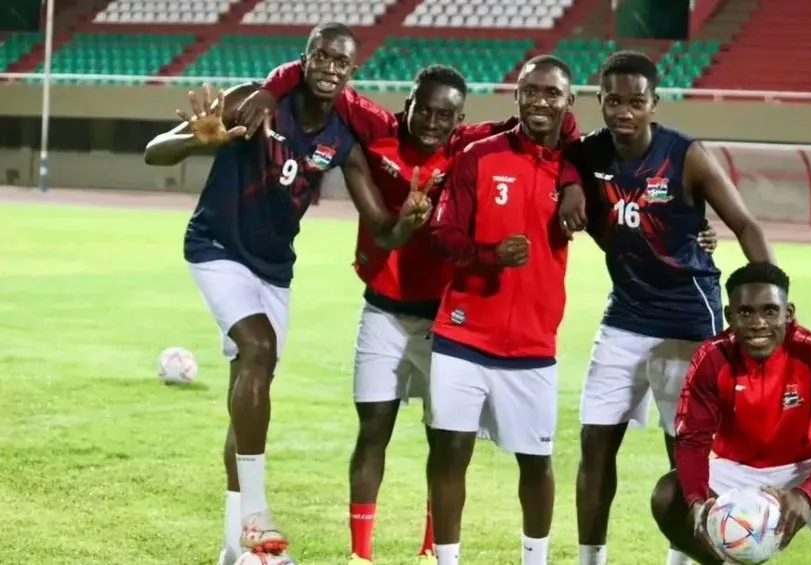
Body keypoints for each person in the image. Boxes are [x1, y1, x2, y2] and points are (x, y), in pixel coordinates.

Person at [235, 62, 586, 564]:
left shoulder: (469, 145)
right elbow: (320, 76)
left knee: (442, 441)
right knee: (373, 429)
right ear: (408, 106)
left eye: (445, 115)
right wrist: (270, 91)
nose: (432, 122)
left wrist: (570, 180)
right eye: (424, 110)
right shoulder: (378, 131)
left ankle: (430, 550)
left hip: (444, 318)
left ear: (459, 118)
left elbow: (557, 130)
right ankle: (362, 554)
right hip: (384, 309)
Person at [144, 23, 431, 565]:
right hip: (216, 247)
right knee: (258, 348)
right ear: (304, 60)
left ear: (351, 74)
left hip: (274, 270)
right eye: (320, 56)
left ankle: (235, 548)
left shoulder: (342, 143)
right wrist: (193, 138)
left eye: (340, 62)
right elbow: (153, 152)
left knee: (247, 397)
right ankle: (256, 517)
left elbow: (383, 227)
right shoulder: (253, 102)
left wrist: (407, 223)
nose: (329, 67)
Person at [561, 51, 775, 565]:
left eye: (636, 101)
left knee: (684, 453)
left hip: (688, 318)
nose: (624, 111)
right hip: (626, 315)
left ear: (654, 103)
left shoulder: (685, 155)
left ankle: (682, 559)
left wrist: (772, 299)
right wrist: (570, 185)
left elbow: (746, 226)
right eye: (613, 100)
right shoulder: (588, 154)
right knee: (594, 445)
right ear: (600, 101)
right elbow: (560, 156)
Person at [425, 55, 584, 565]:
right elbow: (443, 234)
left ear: (568, 102)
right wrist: (491, 256)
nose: (540, 100)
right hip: (463, 336)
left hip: (534, 346)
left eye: (551, 93)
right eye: (530, 90)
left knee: (536, 463)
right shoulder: (478, 156)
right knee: (449, 453)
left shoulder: (576, 166)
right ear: (516, 96)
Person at [651, 262, 811, 565]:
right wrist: (696, 499)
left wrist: (808, 493)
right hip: (735, 469)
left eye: (770, 311)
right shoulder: (711, 357)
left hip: (803, 463)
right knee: (667, 495)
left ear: (789, 312)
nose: (758, 323)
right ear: (729, 316)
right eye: (745, 312)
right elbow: (692, 441)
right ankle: (723, 562)